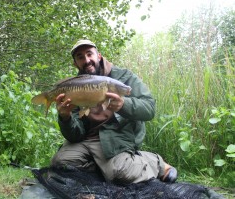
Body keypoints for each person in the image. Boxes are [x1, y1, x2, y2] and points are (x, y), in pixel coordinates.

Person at [51, 39, 177, 184]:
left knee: (120, 174)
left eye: (89, 54)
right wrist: (65, 117)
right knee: (60, 164)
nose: (87, 60)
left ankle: (158, 164)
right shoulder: (74, 87)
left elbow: (149, 108)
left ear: (98, 55)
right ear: (75, 64)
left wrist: (124, 104)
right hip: (86, 140)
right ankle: (104, 169)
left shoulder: (123, 77)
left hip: (115, 139)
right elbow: (75, 136)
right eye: (80, 57)